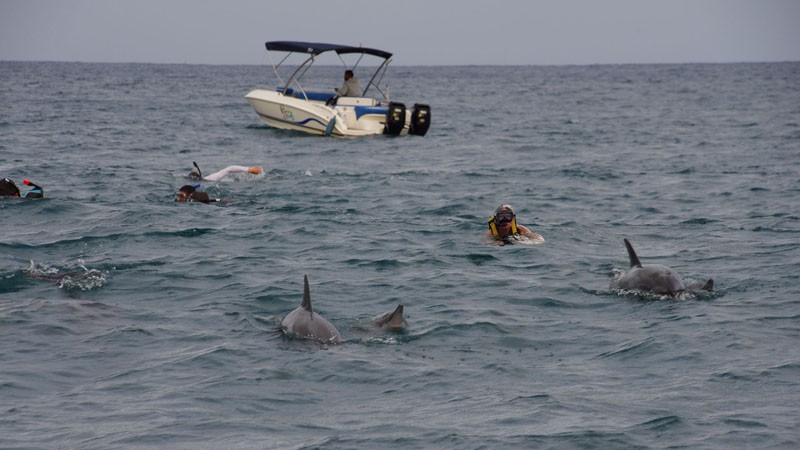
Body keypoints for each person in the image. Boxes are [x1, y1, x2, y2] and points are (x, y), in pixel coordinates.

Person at [186, 162, 263, 182]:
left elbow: (229, 169)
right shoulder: (209, 179)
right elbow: (229, 169)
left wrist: (248, 169)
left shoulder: (209, 179)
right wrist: (247, 169)